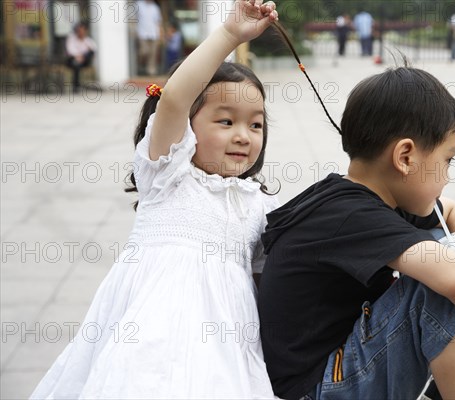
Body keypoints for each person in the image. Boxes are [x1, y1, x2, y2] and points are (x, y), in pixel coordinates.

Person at [258, 66, 455, 399]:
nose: (448, 176)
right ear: (405, 157)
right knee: (441, 292)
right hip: (320, 388)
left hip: (339, 368)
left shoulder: (371, 197)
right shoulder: (350, 215)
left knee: (451, 276)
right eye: (448, 159)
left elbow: (454, 212)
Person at [31, 1, 279, 398]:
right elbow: (176, 98)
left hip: (228, 345)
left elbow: (271, 277)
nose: (243, 136)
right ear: (188, 128)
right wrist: (230, 35)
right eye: (225, 120)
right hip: (153, 336)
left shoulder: (257, 204)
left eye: (256, 124)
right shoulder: (167, 174)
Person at [65, 22, 96, 91]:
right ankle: (76, 86)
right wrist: (78, 56)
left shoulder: (88, 40)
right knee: (76, 64)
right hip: (73, 60)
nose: (80, 32)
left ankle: (81, 86)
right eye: (79, 30)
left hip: (84, 61)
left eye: (82, 30)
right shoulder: (71, 39)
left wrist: (83, 56)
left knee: (90, 53)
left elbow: (93, 50)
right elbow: (70, 50)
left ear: (85, 31)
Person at [137, 0, 162, 76]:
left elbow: (158, 21)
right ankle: (140, 66)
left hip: (153, 34)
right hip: (142, 33)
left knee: (153, 54)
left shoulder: (155, 7)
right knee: (144, 51)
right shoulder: (139, 5)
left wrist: (160, 33)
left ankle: (151, 71)